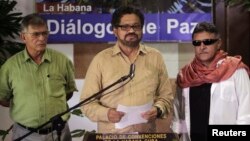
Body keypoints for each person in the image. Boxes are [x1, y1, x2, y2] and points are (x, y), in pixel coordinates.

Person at [80, 6, 173, 133]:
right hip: (112, 136)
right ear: (114, 30)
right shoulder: (101, 60)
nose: (131, 30)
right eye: (125, 27)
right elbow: (87, 103)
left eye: (136, 26)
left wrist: (157, 109)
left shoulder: (155, 57)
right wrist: (107, 113)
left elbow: (166, 96)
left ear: (142, 29)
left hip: (146, 136)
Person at [0, 13, 78, 141]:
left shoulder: (62, 61)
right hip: (25, 134)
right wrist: (24, 105)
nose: (41, 38)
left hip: (59, 132)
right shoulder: (10, 66)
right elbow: (2, 98)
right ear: (23, 37)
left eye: (44, 33)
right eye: (36, 34)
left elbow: (68, 93)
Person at [171, 22, 250, 141]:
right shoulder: (185, 74)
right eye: (197, 43)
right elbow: (178, 112)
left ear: (219, 43)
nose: (202, 47)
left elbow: (246, 112)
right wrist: (177, 134)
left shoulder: (236, 70)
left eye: (207, 42)